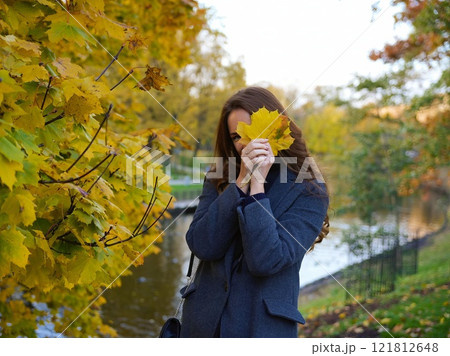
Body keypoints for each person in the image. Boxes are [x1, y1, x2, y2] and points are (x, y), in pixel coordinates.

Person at [179, 87, 330, 338]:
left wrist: (257, 188)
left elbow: (267, 260)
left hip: (261, 330)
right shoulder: (219, 178)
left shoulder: (309, 190)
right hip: (202, 328)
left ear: (278, 130)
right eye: (237, 136)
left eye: (254, 133)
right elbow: (202, 245)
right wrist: (240, 184)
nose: (246, 143)